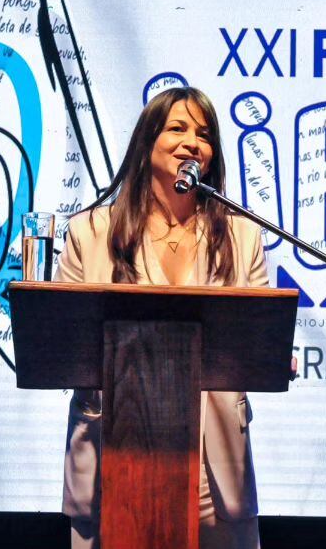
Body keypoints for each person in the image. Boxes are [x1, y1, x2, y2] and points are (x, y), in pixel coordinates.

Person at [56, 86, 268, 549]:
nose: (193, 142)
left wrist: (269, 355)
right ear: (146, 143)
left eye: (205, 134)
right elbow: (59, 341)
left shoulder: (242, 236)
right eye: (178, 128)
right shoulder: (90, 234)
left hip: (213, 473)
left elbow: (257, 336)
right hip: (113, 461)